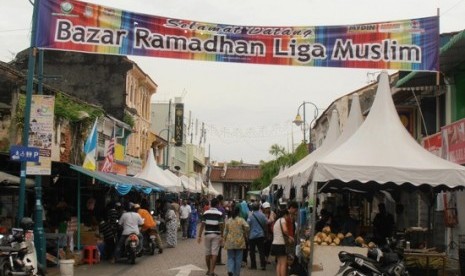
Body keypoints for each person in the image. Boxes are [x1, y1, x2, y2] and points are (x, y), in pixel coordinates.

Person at [197, 198, 224, 276]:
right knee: (214, 253)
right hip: (216, 234)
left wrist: (199, 236)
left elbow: (202, 225)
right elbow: (221, 225)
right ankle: (212, 271)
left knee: (207, 252)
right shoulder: (219, 213)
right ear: (217, 204)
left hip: (207, 234)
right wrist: (222, 235)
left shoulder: (205, 213)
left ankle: (208, 270)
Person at [223, 205, 249, 276]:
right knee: (238, 259)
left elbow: (225, 232)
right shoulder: (241, 220)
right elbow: (247, 227)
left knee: (230, 257)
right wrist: (243, 231)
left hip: (230, 242)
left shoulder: (228, 220)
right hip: (239, 242)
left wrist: (224, 239)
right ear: (239, 212)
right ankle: (236, 274)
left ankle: (230, 270)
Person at [271, 209, 294, 276]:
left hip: (275, 244)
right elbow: (285, 230)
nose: (288, 217)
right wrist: (289, 236)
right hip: (281, 244)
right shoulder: (283, 220)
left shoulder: (277, 221)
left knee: (279, 263)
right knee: (283, 263)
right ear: (285, 215)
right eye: (288, 215)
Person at [247, 202, 268, 270]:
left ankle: (253, 265)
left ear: (252, 208)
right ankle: (263, 265)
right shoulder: (262, 215)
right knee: (261, 251)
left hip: (252, 236)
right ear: (259, 207)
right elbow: (266, 223)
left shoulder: (250, 216)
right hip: (260, 235)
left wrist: (247, 235)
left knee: (252, 251)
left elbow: (248, 226)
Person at [216, 194, 227, 266]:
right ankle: (218, 260)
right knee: (219, 246)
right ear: (221, 200)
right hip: (219, 229)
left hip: (212, 228)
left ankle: (213, 259)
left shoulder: (213, 208)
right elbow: (223, 221)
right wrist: (223, 233)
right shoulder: (222, 209)